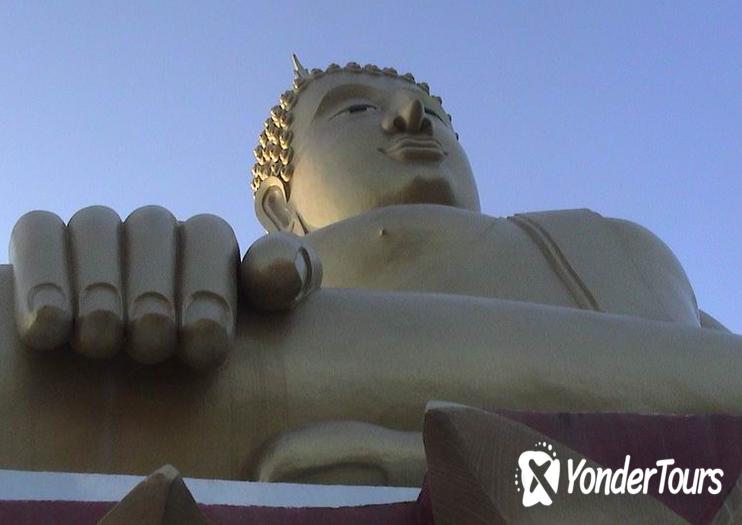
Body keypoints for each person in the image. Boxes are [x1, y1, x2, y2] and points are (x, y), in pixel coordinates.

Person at [1, 57, 739, 486]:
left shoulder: (603, 251)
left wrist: (490, 463)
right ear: (277, 205)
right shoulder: (229, 292)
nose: (412, 113)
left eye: (436, 114)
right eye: (353, 110)